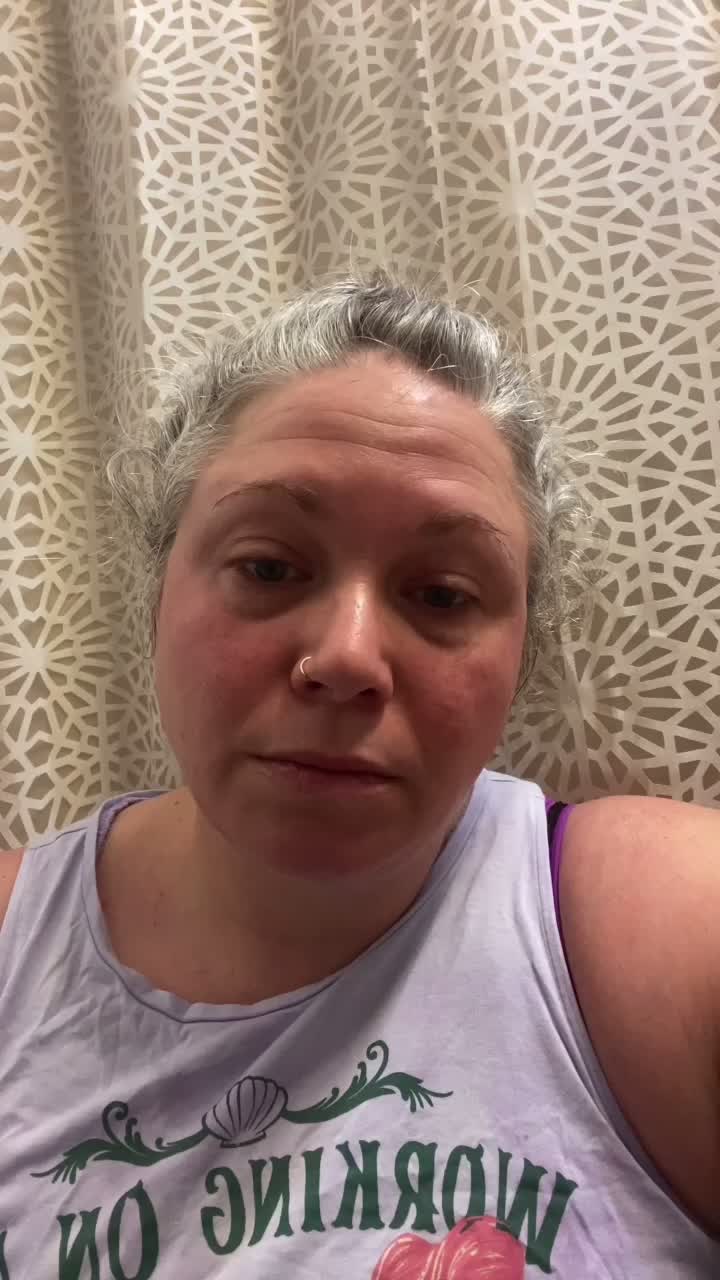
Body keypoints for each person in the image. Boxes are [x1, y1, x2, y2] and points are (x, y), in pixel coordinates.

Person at [0, 269, 717, 1279]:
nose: (345, 656)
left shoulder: (653, 926)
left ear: (523, 653)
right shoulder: (16, 949)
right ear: (159, 592)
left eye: (442, 592)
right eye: (268, 566)